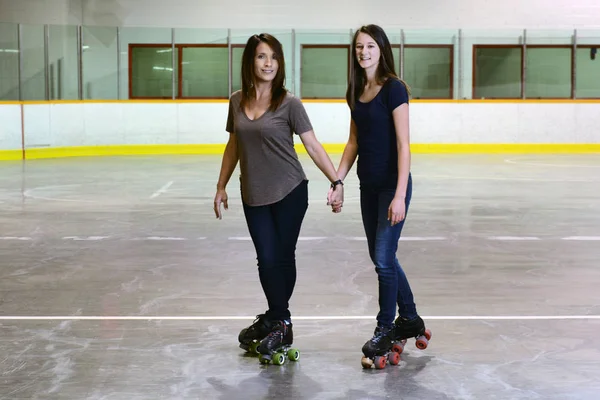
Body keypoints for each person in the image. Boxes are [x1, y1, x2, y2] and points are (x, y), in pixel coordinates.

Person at [213, 33, 344, 359]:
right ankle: (276, 319)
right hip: (253, 193)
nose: (268, 62)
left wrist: (336, 180)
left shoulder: (289, 103)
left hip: (290, 191)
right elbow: (234, 146)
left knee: (281, 258)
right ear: (250, 61)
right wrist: (221, 186)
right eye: (261, 56)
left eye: (273, 56)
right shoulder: (236, 101)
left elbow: (312, 145)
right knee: (266, 258)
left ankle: (279, 321)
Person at [332, 24, 429, 361]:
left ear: (381, 49)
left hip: (392, 186)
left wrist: (400, 194)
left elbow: (404, 146)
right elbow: (353, 142)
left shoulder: (395, 89)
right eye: (359, 47)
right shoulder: (355, 90)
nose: (364, 52)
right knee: (382, 257)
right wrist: (338, 180)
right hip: (367, 186)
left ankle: (385, 327)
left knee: (384, 261)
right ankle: (411, 318)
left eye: (370, 46)